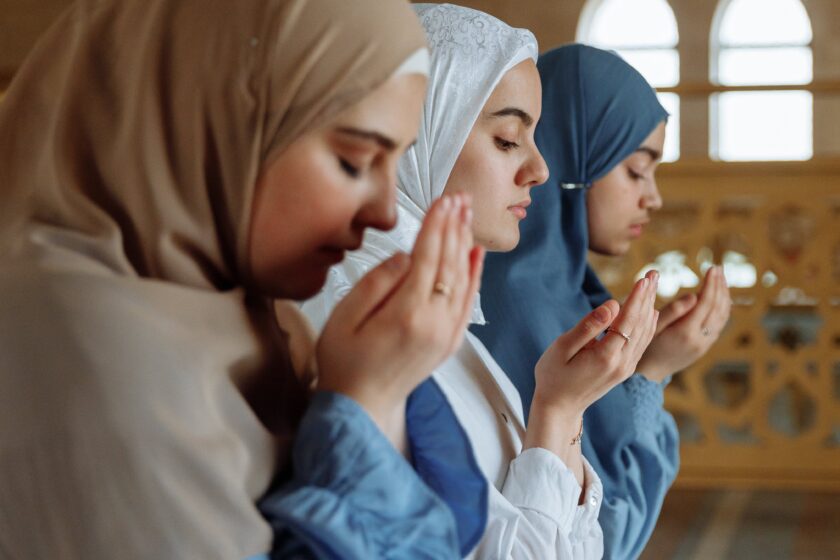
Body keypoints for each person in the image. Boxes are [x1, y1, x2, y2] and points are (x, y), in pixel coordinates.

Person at [0, 0, 487, 558]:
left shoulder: (267, 324)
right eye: (354, 162)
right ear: (202, 123)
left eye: (397, 163)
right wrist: (367, 405)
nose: (384, 213)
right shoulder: (78, 350)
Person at [303, 6, 660, 558]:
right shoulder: (365, 327)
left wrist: (560, 410)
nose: (540, 169)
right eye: (507, 139)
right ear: (422, 132)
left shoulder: (442, 317)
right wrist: (558, 413)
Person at [474, 44, 732, 559]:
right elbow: (606, 538)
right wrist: (651, 374)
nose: (652, 197)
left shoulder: (566, 288)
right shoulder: (521, 304)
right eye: (637, 170)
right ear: (575, 155)